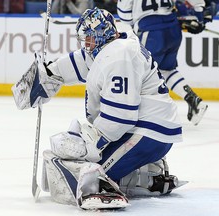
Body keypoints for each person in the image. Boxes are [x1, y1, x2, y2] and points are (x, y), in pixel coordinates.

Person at [12, 8, 185, 210]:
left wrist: (93, 142)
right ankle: (148, 176)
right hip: (151, 132)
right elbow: (79, 62)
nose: (86, 45)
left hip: (146, 134)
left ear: (101, 34)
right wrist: (50, 72)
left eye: (88, 39)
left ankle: (102, 187)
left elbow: (121, 116)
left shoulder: (118, 56)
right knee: (77, 160)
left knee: (83, 175)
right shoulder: (111, 47)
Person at [117, 0, 208, 126]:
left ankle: (134, 116)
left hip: (150, 31)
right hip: (172, 28)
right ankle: (194, 101)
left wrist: (132, 30)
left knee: (137, 74)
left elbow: (124, 13)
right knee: (166, 70)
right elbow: (197, 2)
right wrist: (199, 16)